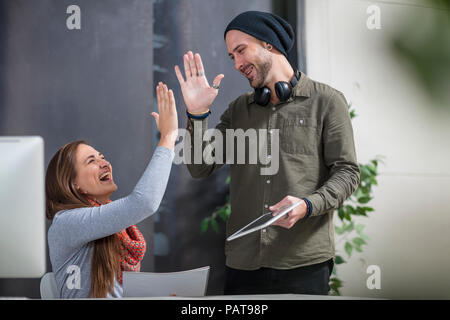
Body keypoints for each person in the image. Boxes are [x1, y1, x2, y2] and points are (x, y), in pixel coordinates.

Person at [174, 11, 360, 295]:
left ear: (269, 44)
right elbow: (200, 167)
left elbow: (347, 173)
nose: (237, 64)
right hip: (243, 264)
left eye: (241, 51)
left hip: (304, 263)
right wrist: (197, 114)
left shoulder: (327, 101)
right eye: (231, 57)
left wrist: (307, 205)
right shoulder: (239, 110)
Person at [46, 82, 178, 298]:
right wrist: (168, 137)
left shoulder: (114, 231)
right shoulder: (66, 223)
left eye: (103, 157)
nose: (105, 163)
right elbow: (144, 203)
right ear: (72, 183)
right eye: (91, 161)